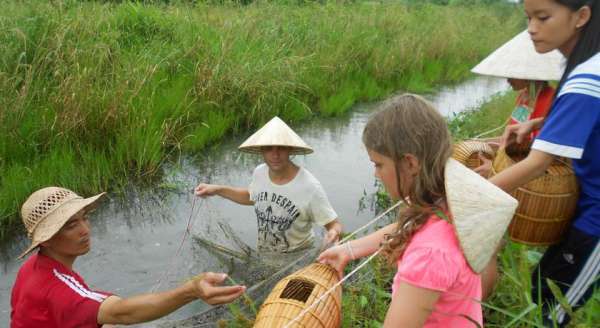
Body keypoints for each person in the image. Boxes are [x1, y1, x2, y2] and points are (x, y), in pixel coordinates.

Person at [318, 94, 517, 327]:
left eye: (378, 164)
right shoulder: (451, 207)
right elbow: (409, 226)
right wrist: (349, 250)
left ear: (410, 164)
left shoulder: (429, 254)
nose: (376, 173)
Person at [485, 0, 600, 325]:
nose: (532, 28)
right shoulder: (588, 67)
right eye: (528, 17)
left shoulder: (585, 78)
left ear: (581, 16)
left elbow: (537, 163)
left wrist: (467, 197)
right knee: (541, 289)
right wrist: (535, 124)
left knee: (554, 313)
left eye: (543, 17)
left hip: (596, 221)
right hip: (585, 203)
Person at [10, 187, 245, 328]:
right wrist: (191, 290)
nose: (85, 229)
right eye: (72, 225)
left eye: (85, 218)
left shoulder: (33, 267)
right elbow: (122, 311)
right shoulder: (61, 289)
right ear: (47, 240)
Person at [195, 116, 343, 254]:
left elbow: (334, 224)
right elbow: (253, 197)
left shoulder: (310, 187)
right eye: (268, 148)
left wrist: (333, 233)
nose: (275, 154)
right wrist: (217, 190)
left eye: (281, 148)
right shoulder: (259, 172)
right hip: (266, 254)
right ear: (261, 150)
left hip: (297, 257)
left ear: (290, 149)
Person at [470, 29, 563, 177]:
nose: (507, 80)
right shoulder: (523, 97)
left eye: (512, 74)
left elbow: (542, 154)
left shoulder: (552, 99)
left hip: (535, 171)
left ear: (527, 76)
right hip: (516, 157)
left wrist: (496, 168)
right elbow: (511, 138)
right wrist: (479, 143)